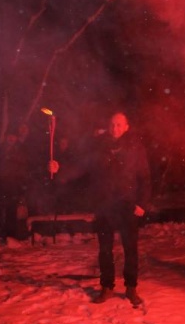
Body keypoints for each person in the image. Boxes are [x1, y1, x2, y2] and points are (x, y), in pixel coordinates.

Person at [49, 112, 151, 306]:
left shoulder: (136, 148)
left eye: (119, 125)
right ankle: (107, 287)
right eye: (112, 124)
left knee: (131, 249)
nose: (115, 128)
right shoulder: (99, 147)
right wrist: (59, 168)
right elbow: (81, 167)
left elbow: (145, 177)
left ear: (126, 127)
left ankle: (131, 288)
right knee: (105, 249)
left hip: (128, 205)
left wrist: (142, 203)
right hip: (105, 205)